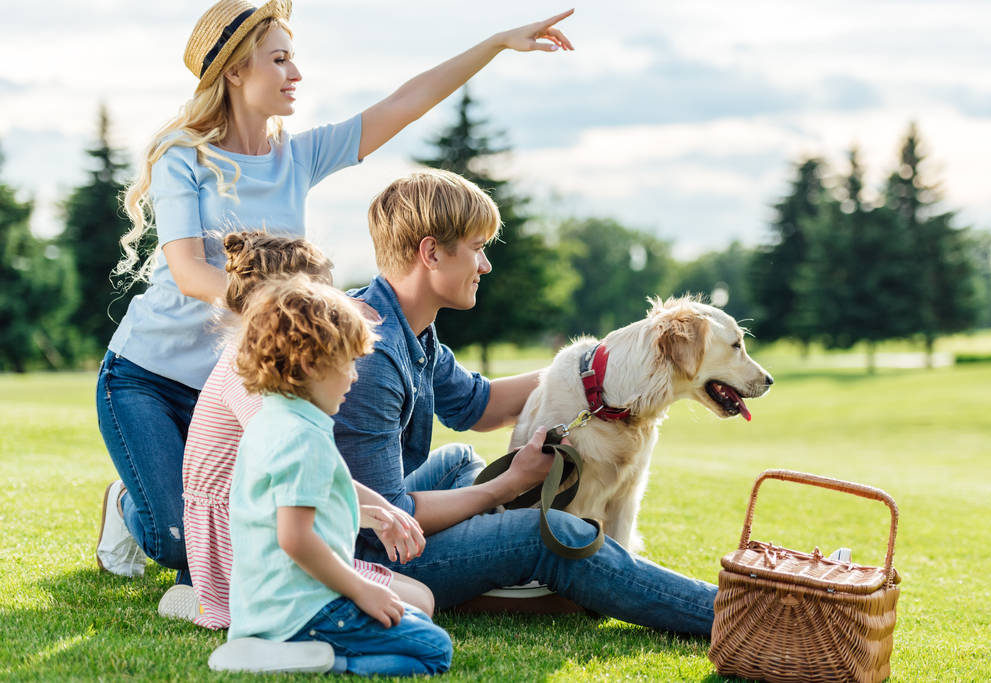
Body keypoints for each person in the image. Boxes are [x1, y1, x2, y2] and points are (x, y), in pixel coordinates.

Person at [95, 0, 575, 580]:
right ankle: (126, 504)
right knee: (176, 544)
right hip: (147, 376)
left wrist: (495, 43)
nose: (296, 74)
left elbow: (402, 103)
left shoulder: (296, 157)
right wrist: (303, 311)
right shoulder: (183, 158)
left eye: (294, 59)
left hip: (233, 387)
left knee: (233, 543)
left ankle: (158, 498)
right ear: (235, 71)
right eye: (279, 60)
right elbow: (193, 274)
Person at [333, 170, 718, 635]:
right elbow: (385, 520)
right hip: (372, 557)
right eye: (477, 248)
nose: (486, 265)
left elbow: (479, 406)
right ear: (431, 253)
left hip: (382, 524)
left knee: (460, 460)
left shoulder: (407, 328)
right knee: (550, 533)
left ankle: (490, 559)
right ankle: (729, 614)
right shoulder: (372, 356)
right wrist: (506, 486)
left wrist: (597, 370)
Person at [155, 231, 429, 629]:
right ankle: (208, 600)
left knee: (419, 597)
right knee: (417, 604)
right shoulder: (254, 378)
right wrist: (377, 514)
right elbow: (296, 463)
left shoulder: (260, 362)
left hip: (261, 525)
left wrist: (384, 511)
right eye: (321, 298)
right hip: (249, 543)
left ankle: (206, 597)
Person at [222, 274, 450, 676]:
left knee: (416, 621)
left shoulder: (273, 419)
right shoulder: (302, 437)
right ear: (311, 364)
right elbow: (295, 537)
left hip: (263, 608)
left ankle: (287, 651)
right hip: (306, 610)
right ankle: (315, 658)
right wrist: (361, 589)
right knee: (434, 647)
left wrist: (373, 514)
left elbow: (312, 493)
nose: (354, 377)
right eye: (347, 364)